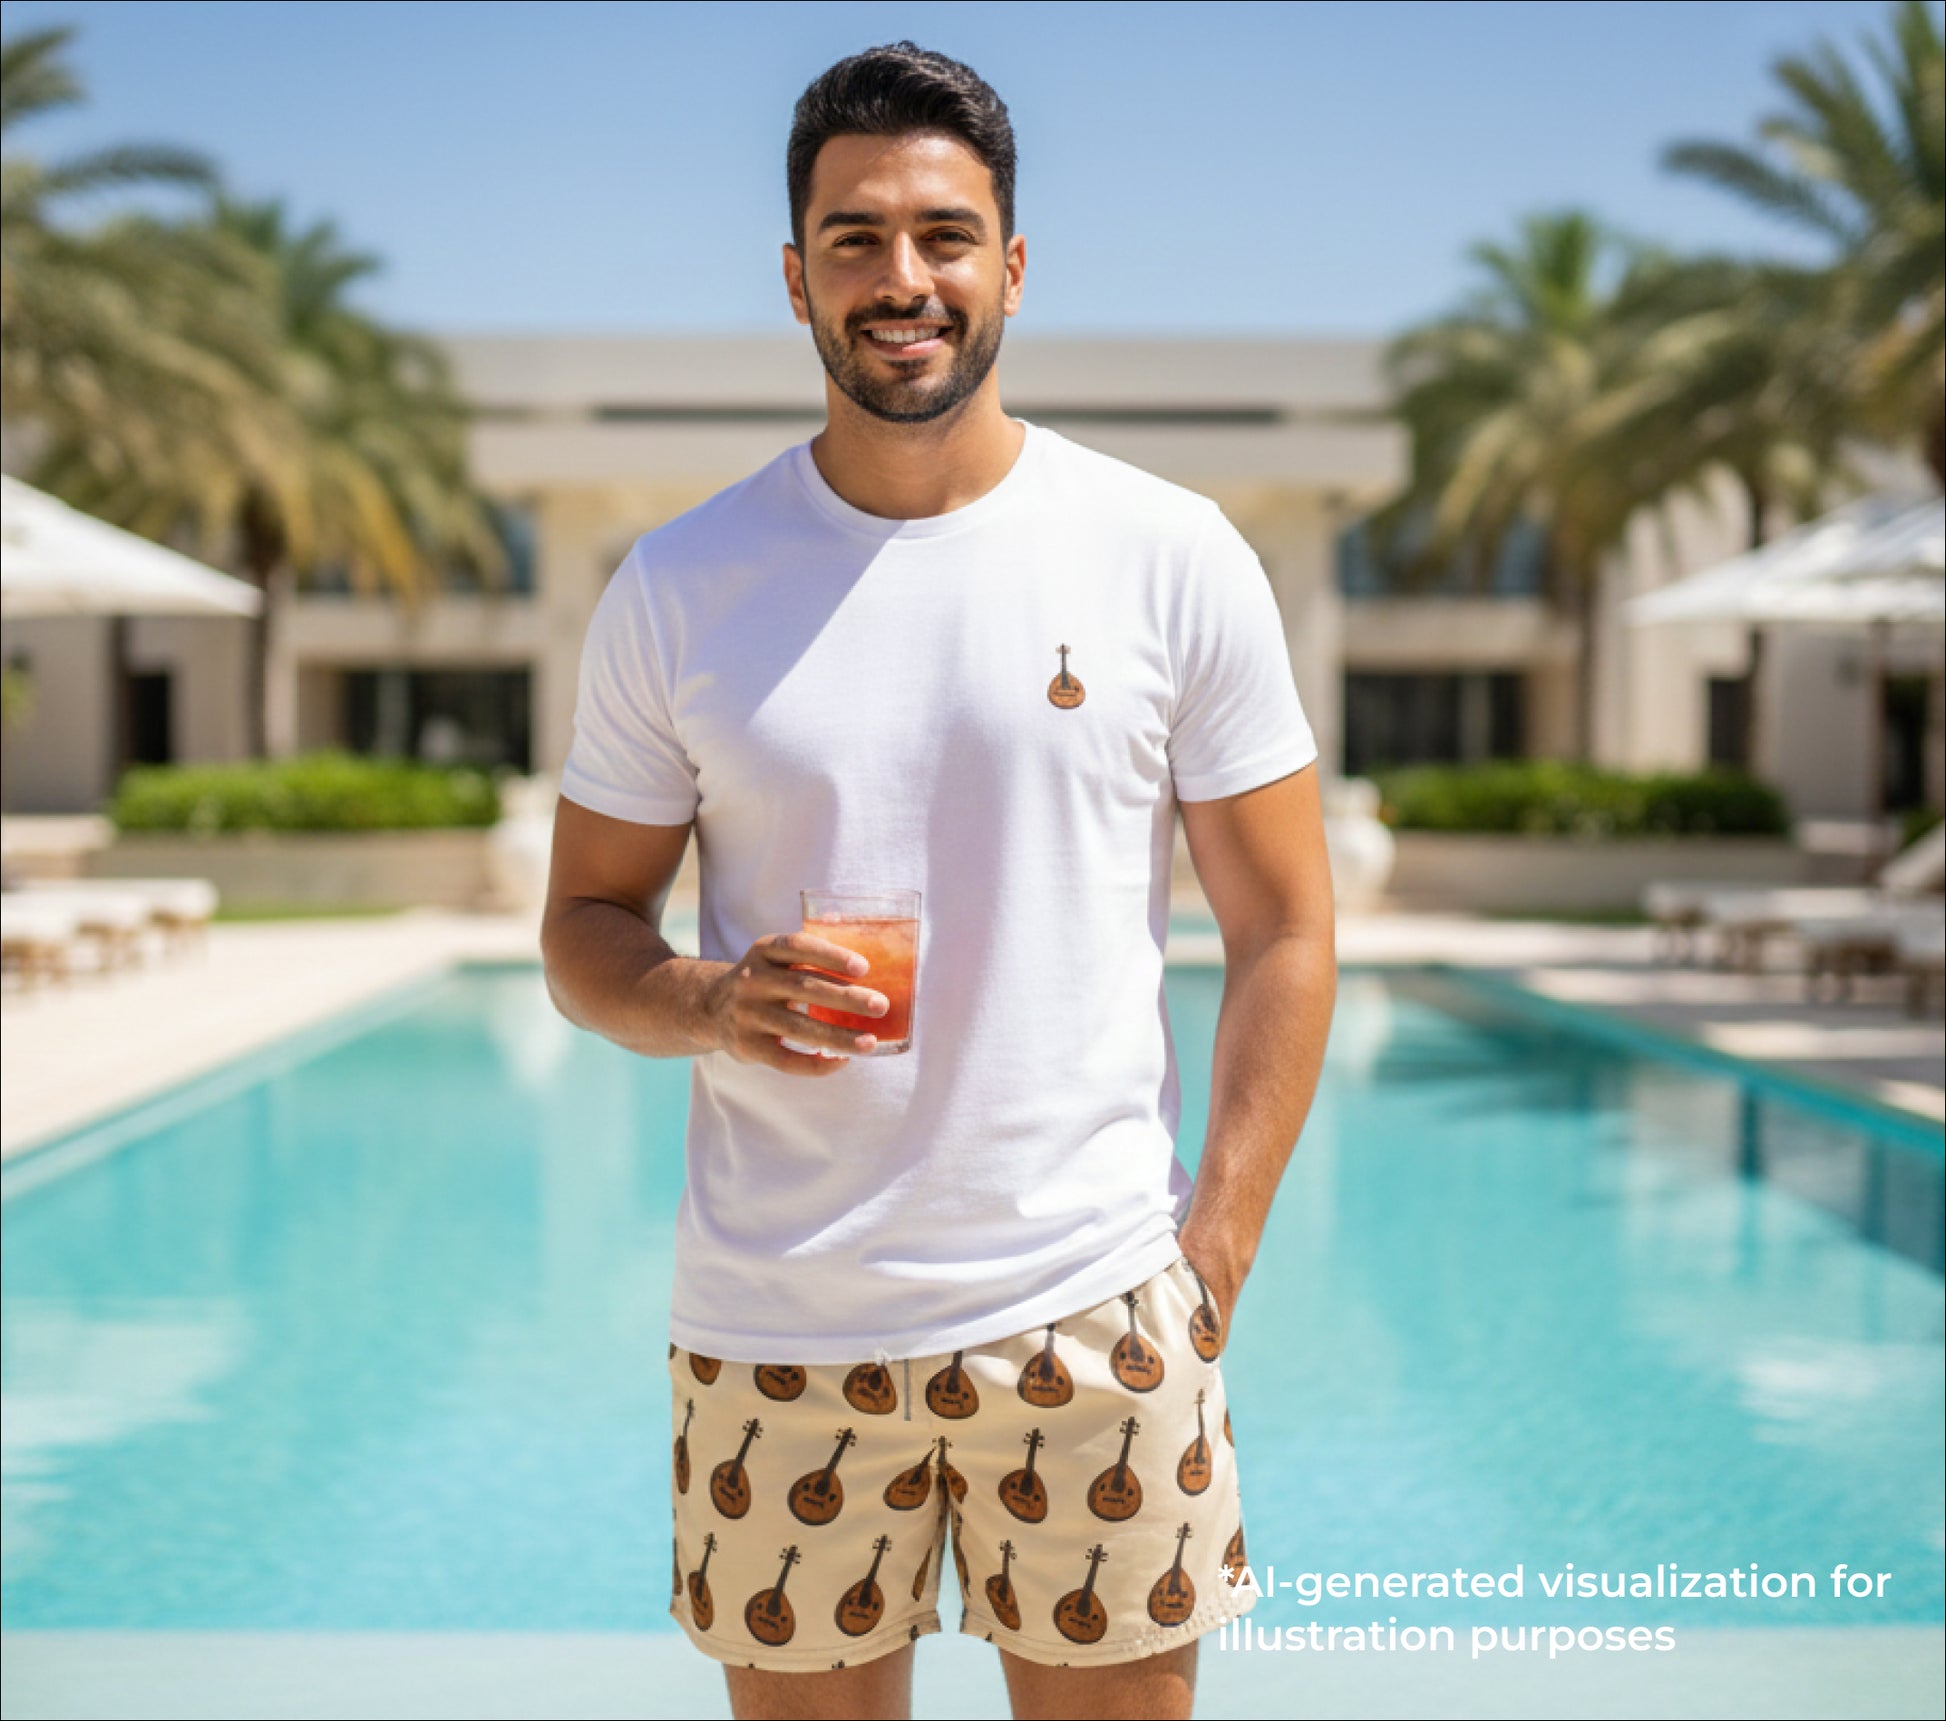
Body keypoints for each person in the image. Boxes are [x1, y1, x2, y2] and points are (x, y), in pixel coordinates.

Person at [540, 41, 1337, 1721]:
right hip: (775, 1324)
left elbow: (1283, 925)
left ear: (1012, 266)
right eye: (854, 238)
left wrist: (1215, 1257)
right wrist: (703, 997)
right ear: (794, 275)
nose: (901, 279)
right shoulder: (679, 586)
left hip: (1095, 1311)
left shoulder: (1166, 552)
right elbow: (580, 930)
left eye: (943, 234)